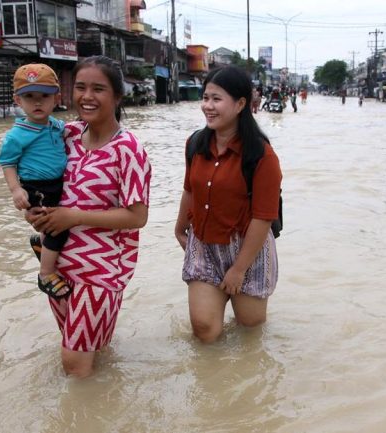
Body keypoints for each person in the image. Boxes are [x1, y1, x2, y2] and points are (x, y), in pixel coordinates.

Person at [27, 56, 152, 377]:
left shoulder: (129, 149)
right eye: (80, 87)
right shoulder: (64, 135)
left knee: (73, 362)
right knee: (91, 350)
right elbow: (35, 172)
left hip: (102, 270)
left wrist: (74, 216)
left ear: (117, 97)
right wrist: (33, 209)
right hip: (57, 263)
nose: (87, 96)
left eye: (98, 89)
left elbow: (137, 216)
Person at [174, 66, 282, 343]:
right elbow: (190, 189)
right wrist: (179, 228)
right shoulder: (195, 144)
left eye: (216, 99)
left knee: (250, 331)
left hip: (247, 248)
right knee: (205, 331)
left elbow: (263, 217)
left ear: (240, 104)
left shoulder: (262, 155)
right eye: (205, 98)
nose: (207, 106)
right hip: (204, 244)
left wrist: (238, 269)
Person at [0, 63, 71, 299]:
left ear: (56, 99)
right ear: (18, 101)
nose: (37, 102)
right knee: (58, 229)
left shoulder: (57, 126)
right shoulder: (17, 134)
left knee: (51, 225)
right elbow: (7, 163)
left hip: (55, 183)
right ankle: (46, 273)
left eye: (44, 96)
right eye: (29, 96)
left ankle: (40, 242)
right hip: (36, 187)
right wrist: (15, 190)